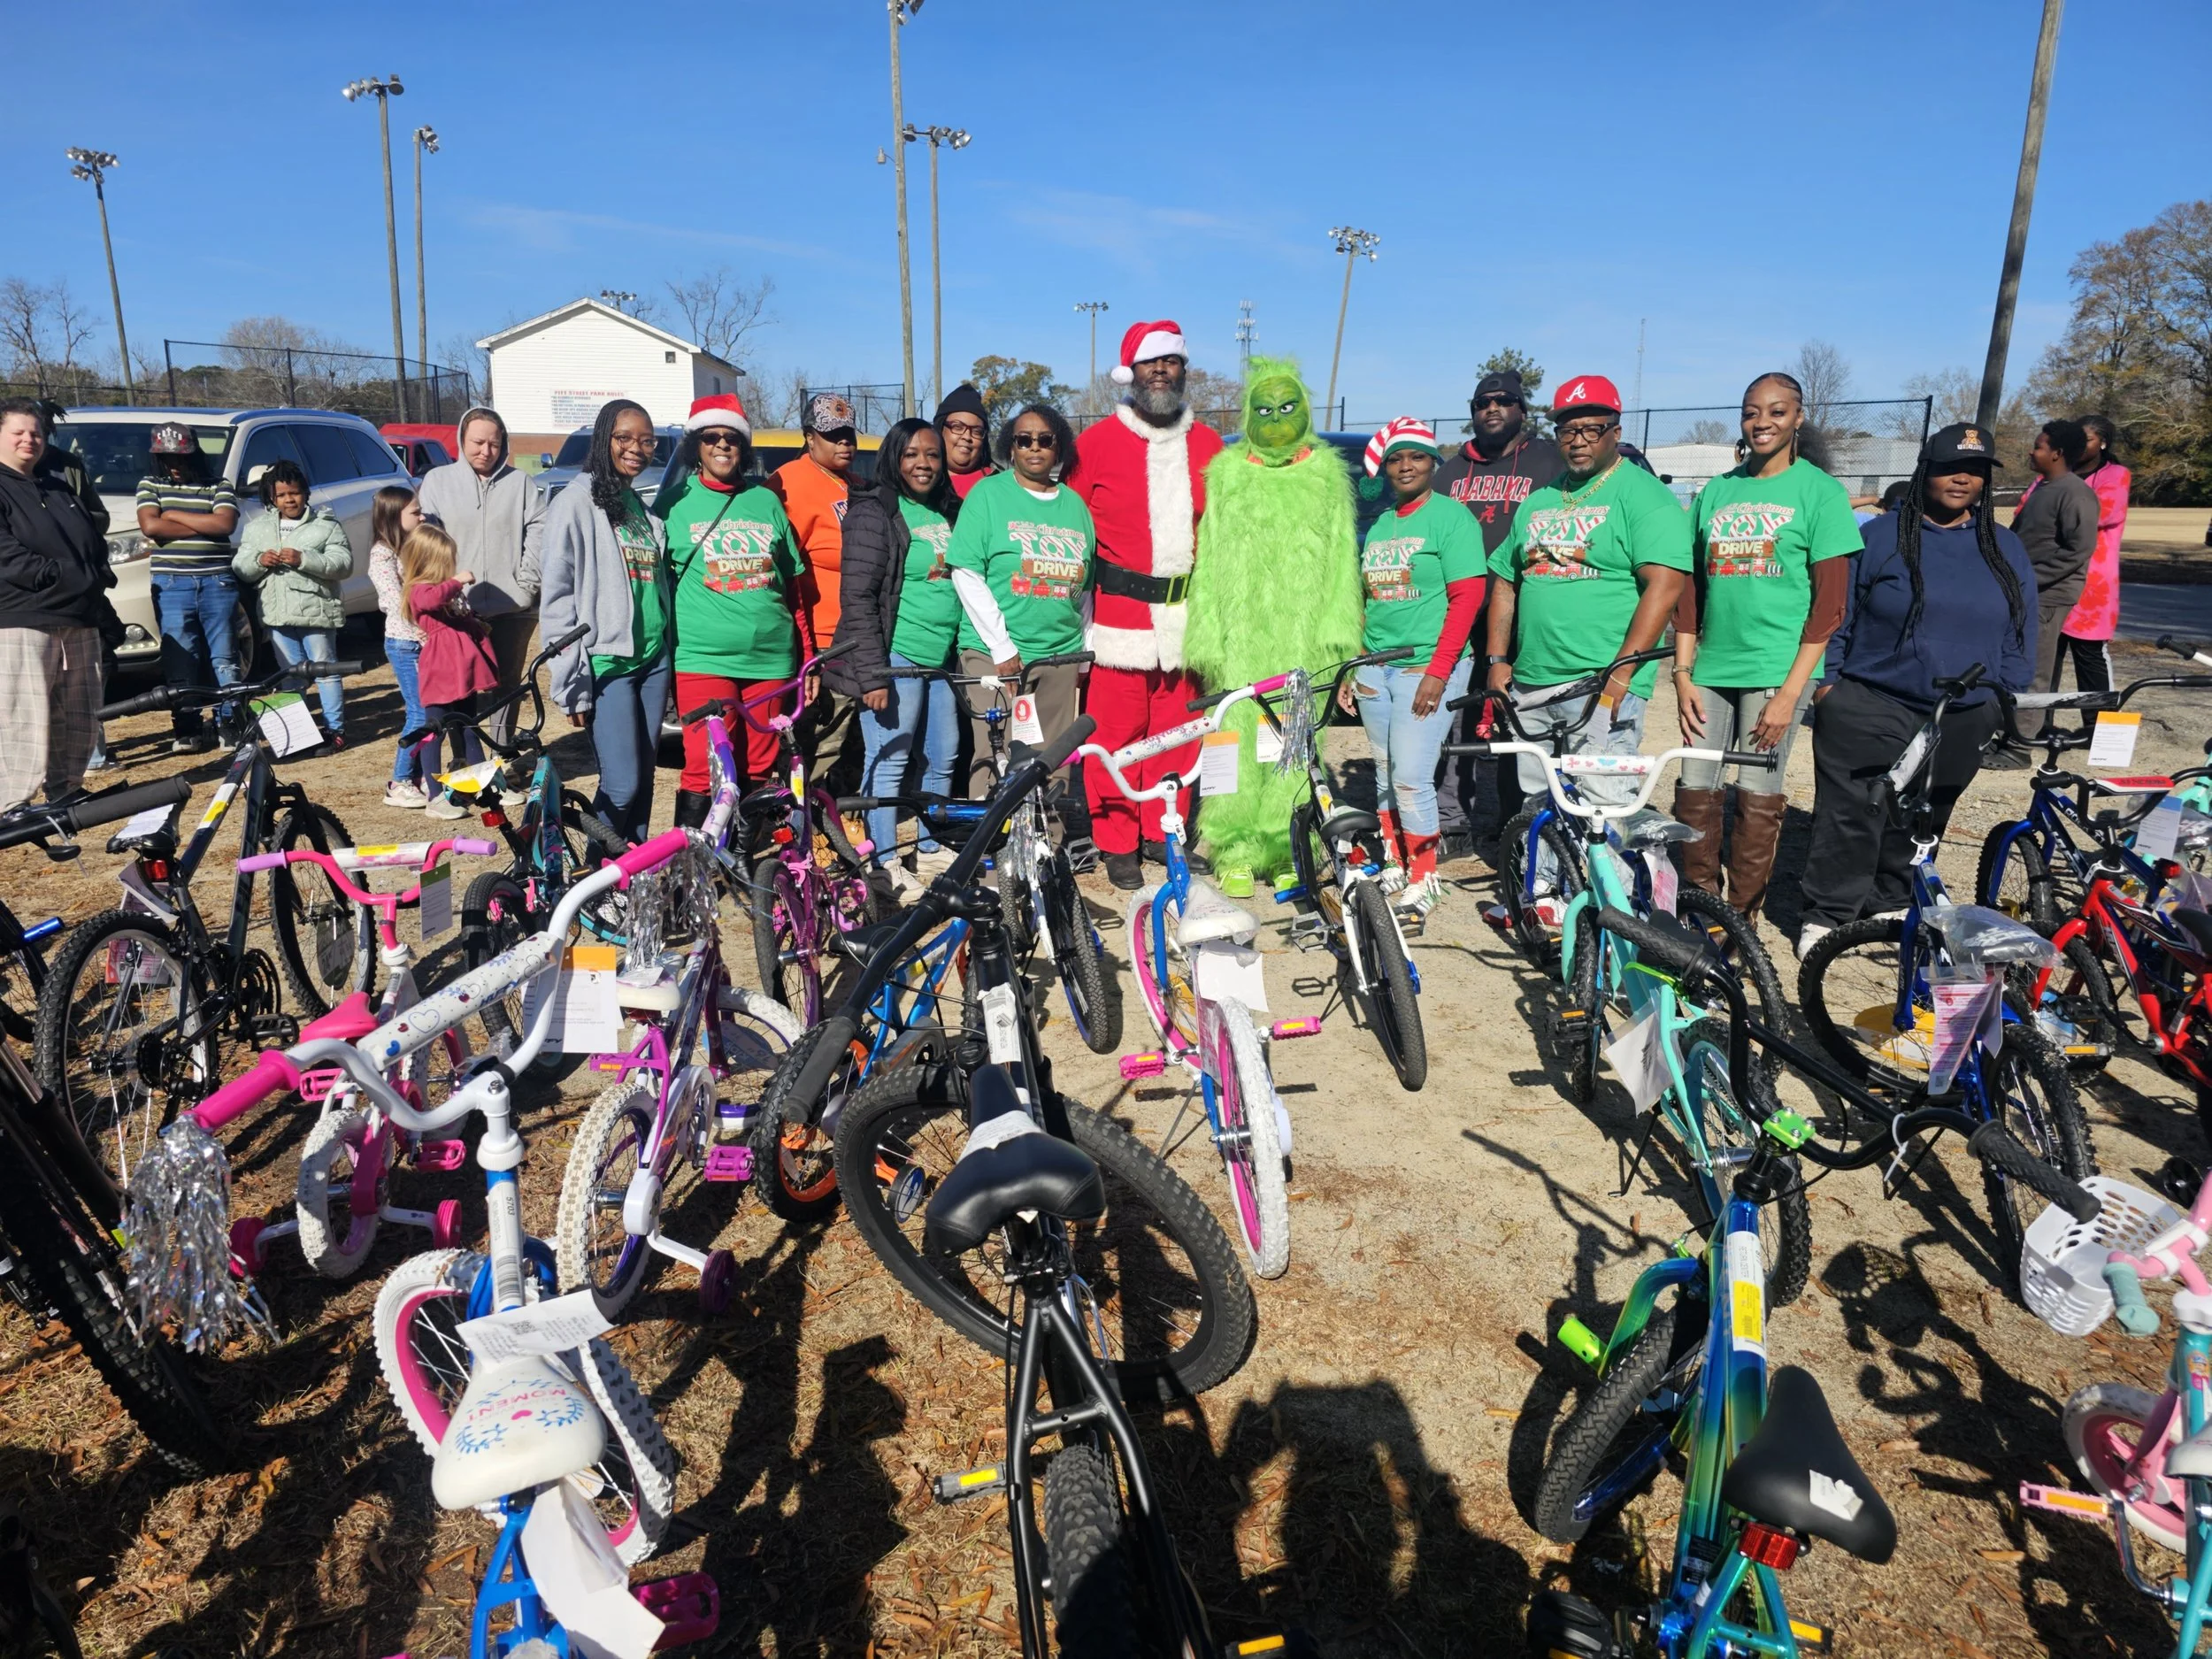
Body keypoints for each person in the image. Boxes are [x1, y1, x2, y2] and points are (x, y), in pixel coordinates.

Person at [1797, 423, 2034, 957]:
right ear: (1925, 470)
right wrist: (1829, 684)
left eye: (1975, 471)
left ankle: (1889, 901)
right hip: (1872, 700)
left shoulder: (2005, 547)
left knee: (1927, 812)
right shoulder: (1879, 537)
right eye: (1951, 467)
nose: (1962, 479)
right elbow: (1840, 613)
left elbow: (2023, 626)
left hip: (1965, 709)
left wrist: (2005, 696)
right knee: (1853, 811)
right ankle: (1830, 914)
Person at [1671, 372, 1860, 923]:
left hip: (1777, 672)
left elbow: (1830, 607)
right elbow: (1689, 594)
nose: (1762, 423)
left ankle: (1741, 919)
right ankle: (1703, 908)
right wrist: (1684, 673)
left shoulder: (1820, 492)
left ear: (1798, 418)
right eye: (1753, 411)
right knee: (1694, 786)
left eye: (1777, 412)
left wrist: (1790, 694)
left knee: (1757, 795)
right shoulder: (1717, 492)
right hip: (1711, 667)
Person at [1182, 359, 1363, 896]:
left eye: (1288, 408)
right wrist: (1208, 634)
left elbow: (1341, 563)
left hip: (1302, 643)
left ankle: (1289, 845)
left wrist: (1336, 635)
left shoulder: (1326, 475)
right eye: (1264, 410)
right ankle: (1233, 846)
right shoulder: (1228, 473)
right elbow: (1208, 560)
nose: (1277, 419)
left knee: (1294, 744)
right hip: (1238, 641)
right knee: (1232, 742)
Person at [1486, 374, 1691, 816]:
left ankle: (1607, 887)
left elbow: (1666, 585)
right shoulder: (1539, 500)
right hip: (1531, 684)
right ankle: (1544, 888)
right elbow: (1506, 580)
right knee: (1539, 807)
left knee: (1603, 808)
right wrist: (1498, 659)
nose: (1578, 441)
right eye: (1567, 430)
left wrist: (1620, 677)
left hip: (1600, 682)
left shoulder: (1644, 496)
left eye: (1591, 429)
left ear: (1615, 432)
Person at [1072, 319, 1226, 890]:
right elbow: (1072, 529)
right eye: (1150, 363)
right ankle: (1116, 843)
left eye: (1171, 362)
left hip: (1187, 618)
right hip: (1119, 616)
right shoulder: (1094, 444)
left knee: (1179, 734)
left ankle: (1165, 833)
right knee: (1113, 736)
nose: (1161, 371)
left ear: (1184, 371)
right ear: (1131, 373)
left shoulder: (1209, 445)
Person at [1341, 419, 1486, 917]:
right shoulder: (1382, 524)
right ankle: (1396, 862)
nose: (1405, 466)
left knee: (1411, 776)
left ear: (1432, 463)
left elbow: (1467, 599)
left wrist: (1439, 672)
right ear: (1385, 468)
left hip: (1426, 666)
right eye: (1396, 459)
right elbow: (1367, 600)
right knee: (1384, 771)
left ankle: (1426, 877)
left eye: (1417, 457)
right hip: (1376, 669)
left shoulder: (1451, 518)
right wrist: (1355, 664)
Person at [656, 394, 810, 830]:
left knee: (759, 766)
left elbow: (792, 586)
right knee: (704, 769)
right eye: (711, 438)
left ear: (743, 447)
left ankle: (747, 861)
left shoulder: (766, 503)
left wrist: (806, 652)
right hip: (703, 657)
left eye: (732, 438)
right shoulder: (672, 505)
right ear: (696, 447)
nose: (722, 446)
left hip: (770, 658)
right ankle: (693, 866)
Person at [828, 416, 965, 898]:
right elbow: (859, 598)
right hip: (895, 658)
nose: (923, 463)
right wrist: (873, 676)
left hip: (940, 660)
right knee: (889, 761)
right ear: (894, 458)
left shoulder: (950, 511)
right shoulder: (876, 512)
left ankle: (928, 850)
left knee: (943, 757)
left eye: (932, 454)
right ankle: (883, 865)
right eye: (911, 454)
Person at [1431, 369, 1565, 858]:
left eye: (1504, 401)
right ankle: (1454, 822)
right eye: (1482, 402)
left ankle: (1518, 830)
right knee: (1456, 720)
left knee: (1519, 725)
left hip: (1524, 618)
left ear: (1522, 410)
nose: (1492, 408)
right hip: (1461, 619)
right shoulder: (1448, 472)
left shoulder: (1549, 460)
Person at [541, 399, 673, 843]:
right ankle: (594, 885)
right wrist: (569, 680)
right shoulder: (574, 504)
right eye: (624, 438)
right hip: (608, 664)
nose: (636, 448)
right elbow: (557, 598)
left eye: (646, 440)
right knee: (621, 784)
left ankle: (629, 877)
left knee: (644, 781)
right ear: (603, 439)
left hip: (653, 660)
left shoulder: (638, 505)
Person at [948, 403, 1093, 798]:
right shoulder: (989, 494)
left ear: (1058, 448)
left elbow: (1085, 588)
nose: (1034, 447)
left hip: (1059, 655)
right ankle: (993, 848)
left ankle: (1048, 849)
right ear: (1011, 447)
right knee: (998, 753)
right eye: (1023, 439)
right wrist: (1002, 646)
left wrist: (1082, 653)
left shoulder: (1075, 507)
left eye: (1045, 440)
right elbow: (966, 571)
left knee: (1054, 756)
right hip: (993, 653)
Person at [0, 399, 113, 812]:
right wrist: (68, 578)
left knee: (79, 710)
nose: (29, 440)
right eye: (18, 432)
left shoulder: (56, 485)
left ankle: (66, 788)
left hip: (78, 617)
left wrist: (97, 578)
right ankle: (12, 802)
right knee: (21, 714)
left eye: (36, 433)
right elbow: (8, 558)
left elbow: (92, 539)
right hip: (22, 619)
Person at [415, 406, 546, 749]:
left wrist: (527, 583)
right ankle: (468, 761)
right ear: (461, 439)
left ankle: (500, 756)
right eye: (477, 442)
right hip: (458, 609)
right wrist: (445, 590)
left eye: (494, 443)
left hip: (513, 608)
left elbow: (539, 530)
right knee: (464, 689)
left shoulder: (520, 483)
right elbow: (426, 541)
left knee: (506, 685)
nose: (485, 451)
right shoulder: (437, 482)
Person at [231, 459, 351, 748]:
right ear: (272, 497)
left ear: (305, 492)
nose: (289, 500)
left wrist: (304, 559)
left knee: (326, 671)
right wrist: (260, 561)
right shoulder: (257, 529)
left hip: (316, 613)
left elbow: (343, 564)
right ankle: (299, 735)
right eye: (282, 495)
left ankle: (335, 731)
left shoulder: (325, 526)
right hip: (276, 614)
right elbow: (240, 567)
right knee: (290, 675)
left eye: (294, 493)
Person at [136, 420, 240, 753]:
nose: (174, 466)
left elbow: (224, 523)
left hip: (217, 581)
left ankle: (230, 723)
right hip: (171, 582)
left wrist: (175, 515)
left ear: (194, 455)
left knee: (224, 656)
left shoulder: (219, 484)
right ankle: (188, 727)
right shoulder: (149, 484)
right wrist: (203, 524)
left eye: (181, 458)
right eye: (167, 459)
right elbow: (151, 525)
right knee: (181, 657)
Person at [2009, 417, 2106, 735]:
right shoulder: (2044, 488)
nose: (2031, 452)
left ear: (2057, 453)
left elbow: (2079, 549)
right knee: (2017, 662)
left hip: (2048, 596)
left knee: (2036, 669)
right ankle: (2006, 729)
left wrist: (2031, 577)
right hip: (2026, 591)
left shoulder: (2075, 493)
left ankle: (2021, 743)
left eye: (2038, 447)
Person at [400, 523, 499, 820]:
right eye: (445, 562)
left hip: (462, 670)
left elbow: (456, 611)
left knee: (469, 725)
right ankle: (435, 795)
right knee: (434, 732)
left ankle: (483, 784)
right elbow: (433, 599)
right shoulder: (419, 591)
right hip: (441, 670)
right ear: (427, 561)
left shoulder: (446, 592)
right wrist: (457, 580)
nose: (450, 568)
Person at [369, 486, 430, 806]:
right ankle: (400, 780)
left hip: (421, 640)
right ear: (394, 516)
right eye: (415, 512)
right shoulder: (382, 554)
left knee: (428, 712)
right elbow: (396, 601)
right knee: (418, 713)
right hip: (405, 643)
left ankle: (418, 776)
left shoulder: (414, 547)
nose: (422, 516)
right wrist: (422, 632)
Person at [933, 382, 995, 501]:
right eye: (957, 427)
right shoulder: (920, 481)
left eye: (977, 431)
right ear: (940, 430)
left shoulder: (999, 485)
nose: (967, 437)